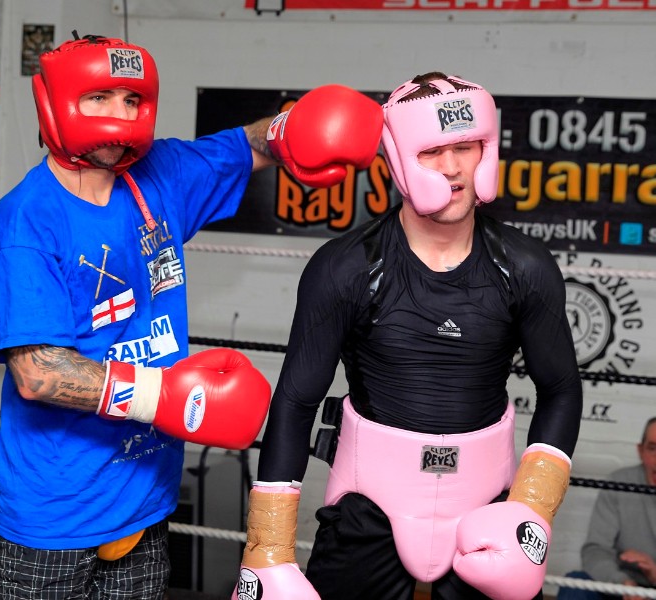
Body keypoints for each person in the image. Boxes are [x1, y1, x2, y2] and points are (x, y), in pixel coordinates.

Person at [0, 32, 382, 600]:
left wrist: (296, 126)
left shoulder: (160, 174)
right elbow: (40, 371)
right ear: (55, 103)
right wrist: (166, 398)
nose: (119, 117)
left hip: (144, 504)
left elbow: (250, 145)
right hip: (53, 520)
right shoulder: (25, 223)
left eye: (131, 100)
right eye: (99, 98)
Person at [233, 72, 584, 600]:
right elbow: (295, 401)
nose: (452, 167)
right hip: (368, 502)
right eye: (432, 152)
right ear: (398, 160)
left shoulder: (525, 267)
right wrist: (267, 548)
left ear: (484, 150)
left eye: (465, 146)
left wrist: (532, 509)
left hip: (487, 500)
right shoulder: (346, 268)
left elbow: (561, 388)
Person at [556, 418, 656, 600]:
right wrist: (623, 584)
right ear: (640, 451)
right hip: (622, 587)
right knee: (576, 584)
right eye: (653, 448)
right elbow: (595, 551)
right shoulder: (620, 484)